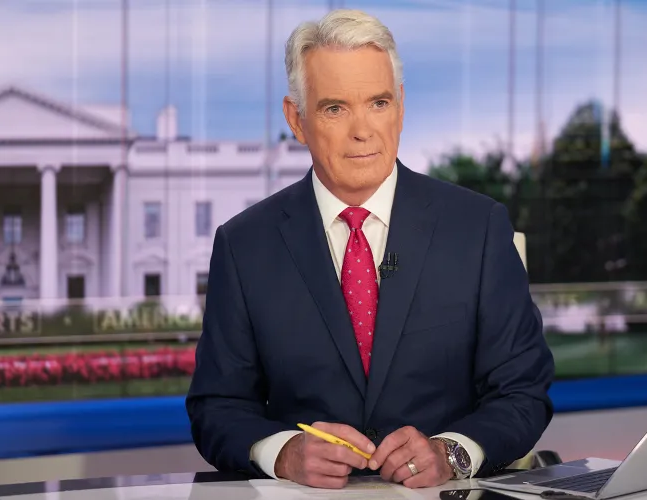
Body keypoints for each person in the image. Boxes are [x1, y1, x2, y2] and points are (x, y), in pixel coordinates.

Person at [186, 8, 555, 490]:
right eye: (335, 108)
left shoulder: (477, 227)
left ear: (400, 106)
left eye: (378, 103)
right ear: (297, 120)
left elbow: (524, 392)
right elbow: (217, 408)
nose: (362, 130)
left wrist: (452, 453)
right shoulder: (243, 246)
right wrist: (282, 453)